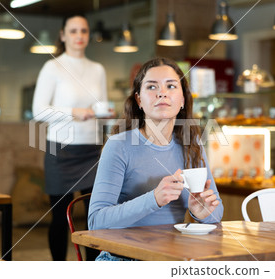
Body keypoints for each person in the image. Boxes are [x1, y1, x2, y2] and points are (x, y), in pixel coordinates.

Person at [88, 57, 224, 261]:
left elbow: (216, 212)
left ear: (183, 100)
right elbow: (96, 221)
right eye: (152, 87)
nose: (162, 92)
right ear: (139, 100)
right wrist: (154, 199)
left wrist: (201, 212)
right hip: (124, 259)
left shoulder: (192, 144)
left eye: (171, 86)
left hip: (176, 256)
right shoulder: (118, 145)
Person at [32, 14, 106, 261]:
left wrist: (107, 113)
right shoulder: (52, 66)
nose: (79, 36)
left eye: (84, 31)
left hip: (92, 150)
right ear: (63, 35)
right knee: (60, 218)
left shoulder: (98, 69)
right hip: (60, 151)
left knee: (93, 217)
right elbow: (39, 111)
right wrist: (74, 112)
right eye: (73, 31)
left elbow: (101, 108)